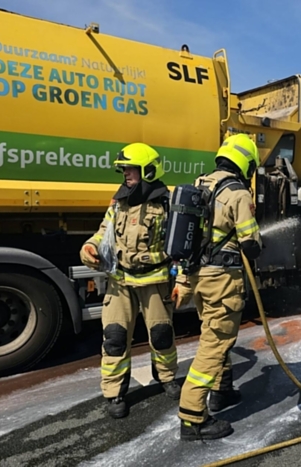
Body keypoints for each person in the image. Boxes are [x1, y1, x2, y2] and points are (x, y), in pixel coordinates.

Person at [79, 142, 181, 419]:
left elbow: (183, 246)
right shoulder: (118, 202)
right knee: (114, 337)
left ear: (148, 170)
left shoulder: (169, 203)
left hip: (156, 281)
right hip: (120, 281)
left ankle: (168, 377)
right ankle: (114, 393)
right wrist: (89, 247)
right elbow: (104, 233)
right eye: (123, 169)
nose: (125, 173)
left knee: (161, 335)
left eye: (130, 168)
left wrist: (181, 279)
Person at [177, 133, 263, 441]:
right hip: (223, 280)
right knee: (215, 343)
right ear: (246, 163)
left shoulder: (202, 184)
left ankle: (221, 391)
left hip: (199, 275)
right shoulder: (238, 193)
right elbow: (251, 242)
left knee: (214, 334)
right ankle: (192, 417)